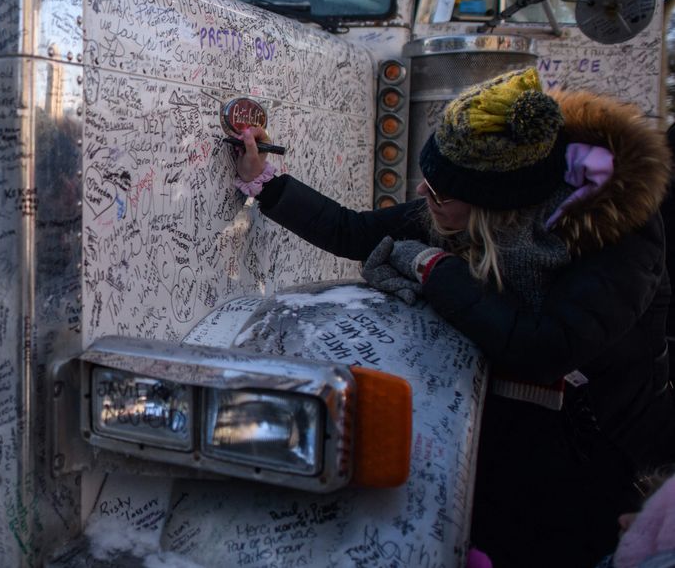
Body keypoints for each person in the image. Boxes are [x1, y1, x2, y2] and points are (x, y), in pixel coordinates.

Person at [232, 68, 675, 567]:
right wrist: (265, 180)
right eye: (429, 182)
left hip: (602, 455)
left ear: (498, 208)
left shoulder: (617, 238)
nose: (425, 195)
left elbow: (543, 348)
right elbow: (351, 231)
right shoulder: (460, 206)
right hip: (505, 435)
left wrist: (434, 268)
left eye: (441, 194)